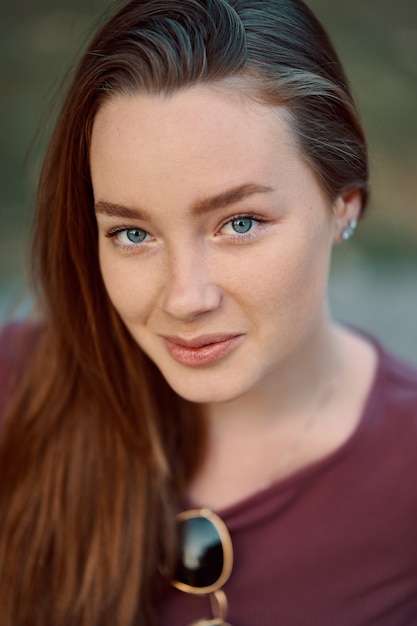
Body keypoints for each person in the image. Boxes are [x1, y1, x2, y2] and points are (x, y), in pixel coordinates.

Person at [0, 0, 416, 624]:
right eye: (132, 234)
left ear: (344, 205)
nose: (184, 299)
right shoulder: (15, 391)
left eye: (239, 223)